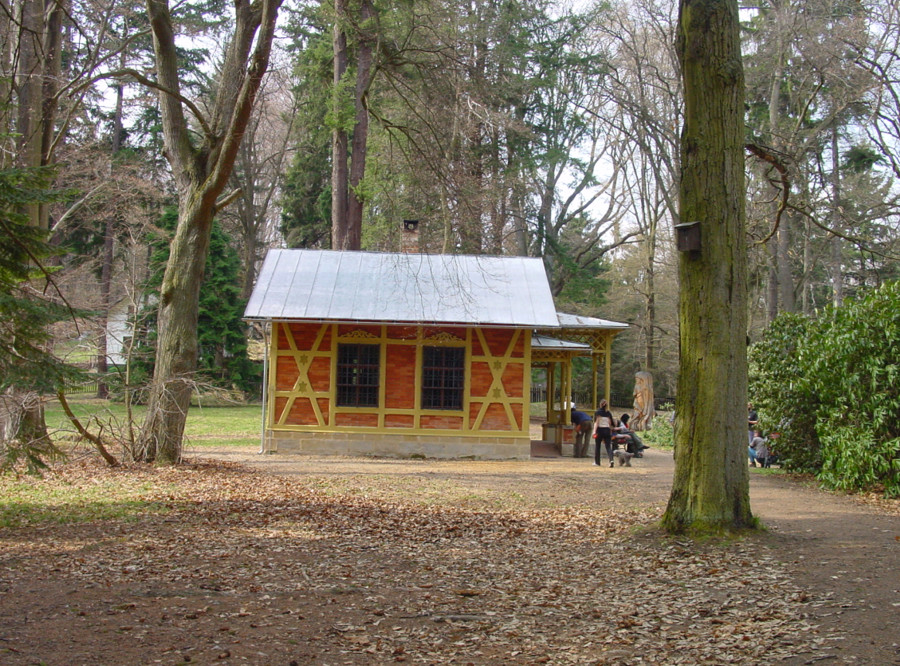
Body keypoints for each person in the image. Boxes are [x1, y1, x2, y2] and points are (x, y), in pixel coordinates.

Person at [593, 399, 615, 468]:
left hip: (600, 430)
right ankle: (611, 460)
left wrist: (594, 431)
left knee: (598, 446)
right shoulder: (608, 413)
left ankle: (597, 462)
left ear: (600, 404)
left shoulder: (598, 412)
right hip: (607, 430)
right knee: (608, 446)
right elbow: (611, 423)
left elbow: (596, 422)